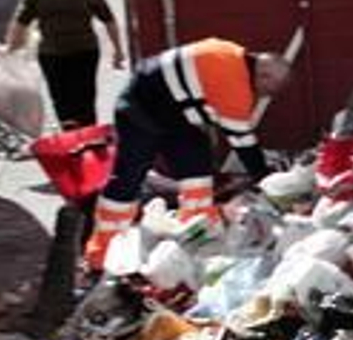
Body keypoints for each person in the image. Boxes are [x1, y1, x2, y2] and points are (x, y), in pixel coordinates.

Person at [84, 38, 291, 269]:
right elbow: (243, 142)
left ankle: (197, 228)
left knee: (196, 161)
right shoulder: (236, 86)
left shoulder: (231, 53)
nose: (267, 97)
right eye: (271, 90)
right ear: (263, 75)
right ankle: (102, 250)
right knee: (128, 178)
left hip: (164, 108)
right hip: (140, 111)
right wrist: (265, 180)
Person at [6, 0, 124, 129]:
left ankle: (89, 138)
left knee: (85, 98)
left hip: (84, 51)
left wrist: (118, 50)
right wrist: (11, 51)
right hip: (51, 54)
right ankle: (70, 141)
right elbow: (22, 22)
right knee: (62, 101)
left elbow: (109, 20)